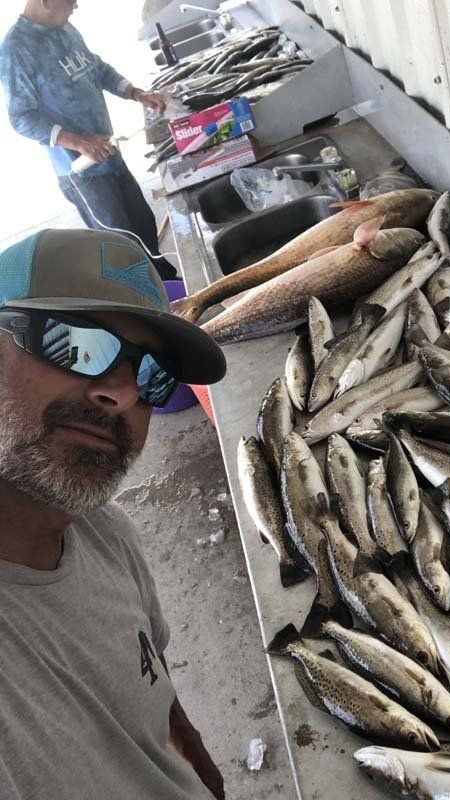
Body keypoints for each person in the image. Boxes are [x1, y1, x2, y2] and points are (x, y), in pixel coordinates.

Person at [0, 227, 227, 799]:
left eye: (153, 373)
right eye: (74, 343)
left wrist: (191, 746)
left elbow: (151, 668)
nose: (123, 394)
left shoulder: (105, 530)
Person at [0, 0, 178, 280]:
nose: (76, 6)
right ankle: (146, 299)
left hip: (108, 152)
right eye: (71, 1)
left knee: (143, 222)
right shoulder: (16, 50)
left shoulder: (65, 28)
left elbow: (96, 68)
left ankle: (166, 283)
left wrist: (136, 93)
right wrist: (79, 142)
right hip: (82, 171)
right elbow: (22, 117)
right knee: (120, 246)